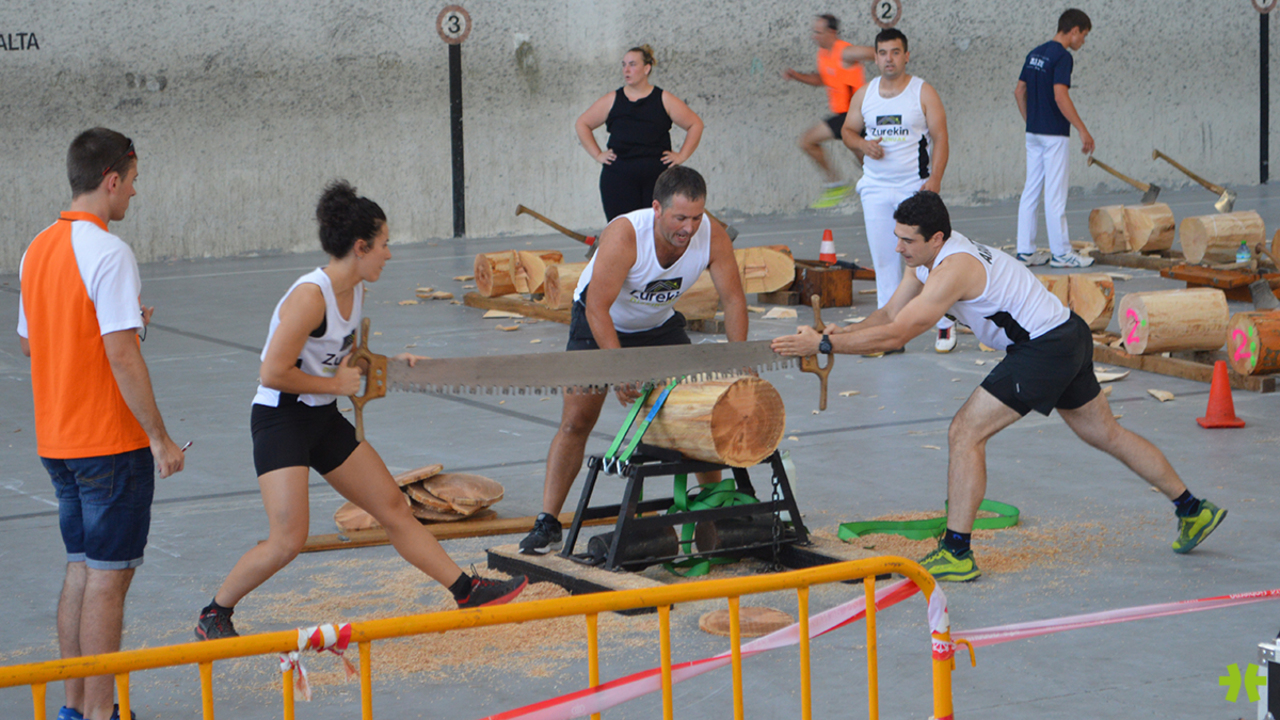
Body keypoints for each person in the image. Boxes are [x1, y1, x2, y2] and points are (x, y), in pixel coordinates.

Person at [771, 191, 1227, 582]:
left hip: (1044, 348)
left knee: (965, 432)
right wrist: (840, 334)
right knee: (1106, 433)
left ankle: (957, 552)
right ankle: (1193, 508)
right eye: (897, 237)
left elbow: (898, 335)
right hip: (1065, 333)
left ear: (936, 239)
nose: (898, 247)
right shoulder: (923, 261)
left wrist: (826, 344)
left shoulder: (953, 269)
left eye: (907, 240)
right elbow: (889, 315)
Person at [195, 181, 526, 641]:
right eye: (384, 244)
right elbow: (271, 372)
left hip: (322, 416)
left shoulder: (356, 292)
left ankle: (466, 590)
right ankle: (214, 613)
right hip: (281, 419)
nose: (389, 254)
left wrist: (389, 365)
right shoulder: (311, 297)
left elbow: (342, 359)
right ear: (360, 246)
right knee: (288, 539)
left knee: (394, 508)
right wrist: (335, 385)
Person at [18, 128, 186, 720]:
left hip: (58, 443)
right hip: (109, 445)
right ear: (112, 180)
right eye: (133, 181)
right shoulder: (110, 252)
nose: (135, 193)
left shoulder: (37, 247)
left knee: (81, 568)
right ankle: (100, 713)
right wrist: (159, 438)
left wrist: (119, 323)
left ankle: (72, 708)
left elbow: (31, 342)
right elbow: (121, 354)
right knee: (109, 581)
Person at [519, 166, 749, 554]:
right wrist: (620, 367)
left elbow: (734, 299)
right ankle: (547, 521)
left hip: (658, 326)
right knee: (577, 420)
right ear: (657, 209)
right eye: (680, 218)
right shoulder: (626, 235)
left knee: (699, 416)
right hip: (599, 321)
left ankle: (717, 507)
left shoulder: (712, 235)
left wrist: (740, 357)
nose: (689, 229)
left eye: (696, 218)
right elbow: (597, 308)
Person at [840, 28, 956, 354]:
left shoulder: (923, 92)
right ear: (875, 58)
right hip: (875, 188)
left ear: (906, 56)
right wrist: (862, 144)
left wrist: (935, 179)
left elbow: (941, 137)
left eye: (895, 52)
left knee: (925, 260)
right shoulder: (865, 94)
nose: (888, 59)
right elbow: (847, 130)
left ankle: (945, 320)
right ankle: (887, 335)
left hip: (913, 187)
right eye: (882, 53)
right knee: (885, 262)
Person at [576, 45, 705, 221]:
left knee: (655, 228)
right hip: (618, 179)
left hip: (657, 180)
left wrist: (682, 155)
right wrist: (598, 154)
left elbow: (695, 124)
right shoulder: (612, 99)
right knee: (622, 229)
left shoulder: (664, 99)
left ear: (646, 68)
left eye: (632, 64)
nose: (626, 70)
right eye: (624, 65)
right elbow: (582, 124)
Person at [1013, 8, 1096, 268]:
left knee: (1031, 189)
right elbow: (1061, 96)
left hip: (1034, 133)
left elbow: (1019, 91)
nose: (1083, 41)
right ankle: (1061, 253)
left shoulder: (1034, 53)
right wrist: (1082, 129)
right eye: (1083, 35)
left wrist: (1031, 121)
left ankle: (1025, 251)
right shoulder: (1063, 57)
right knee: (1055, 194)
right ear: (1074, 31)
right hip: (1054, 136)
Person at [782, 14, 873, 209]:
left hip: (856, 115)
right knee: (866, 161)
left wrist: (891, 70)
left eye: (818, 32)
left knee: (807, 141)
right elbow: (823, 79)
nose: (814, 36)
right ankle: (849, 185)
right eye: (814, 31)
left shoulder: (846, 52)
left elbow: (876, 52)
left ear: (831, 32)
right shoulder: (824, 54)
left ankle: (837, 185)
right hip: (844, 117)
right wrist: (797, 76)